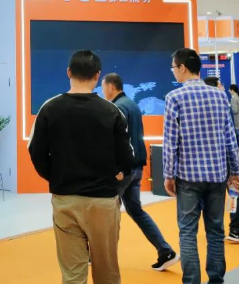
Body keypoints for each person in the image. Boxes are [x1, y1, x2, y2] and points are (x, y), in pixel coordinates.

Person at [29, 50, 133, 284]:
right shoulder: (112, 111)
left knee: (73, 274)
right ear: (97, 75)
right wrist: (117, 173)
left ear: (68, 72)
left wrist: (55, 176)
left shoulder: (49, 108)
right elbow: (126, 157)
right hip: (103, 200)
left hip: (65, 198)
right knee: (107, 272)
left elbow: (35, 151)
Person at [164, 49, 239, 284]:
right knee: (216, 231)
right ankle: (216, 280)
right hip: (217, 175)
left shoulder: (174, 97)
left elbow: (171, 141)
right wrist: (235, 171)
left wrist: (168, 174)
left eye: (173, 68)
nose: (173, 72)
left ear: (182, 68)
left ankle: (192, 281)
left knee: (188, 232)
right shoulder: (219, 96)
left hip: (188, 176)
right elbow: (229, 137)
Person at [101, 73, 179, 271]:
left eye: (103, 87)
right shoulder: (132, 105)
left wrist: (117, 168)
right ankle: (165, 251)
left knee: (106, 212)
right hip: (136, 168)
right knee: (136, 211)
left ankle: (101, 256)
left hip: (124, 170)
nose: (102, 91)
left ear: (110, 86)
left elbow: (118, 141)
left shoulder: (117, 107)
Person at [202, 77, 239, 245]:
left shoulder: (199, 106)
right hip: (225, 157)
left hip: (206, 160)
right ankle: (234, 229)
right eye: (220, 85)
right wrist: (238, 154)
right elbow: (229, 134)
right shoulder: (223, 105)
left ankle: (214, 231)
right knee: (236, 193)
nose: (223, 87)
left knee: (211, 197)